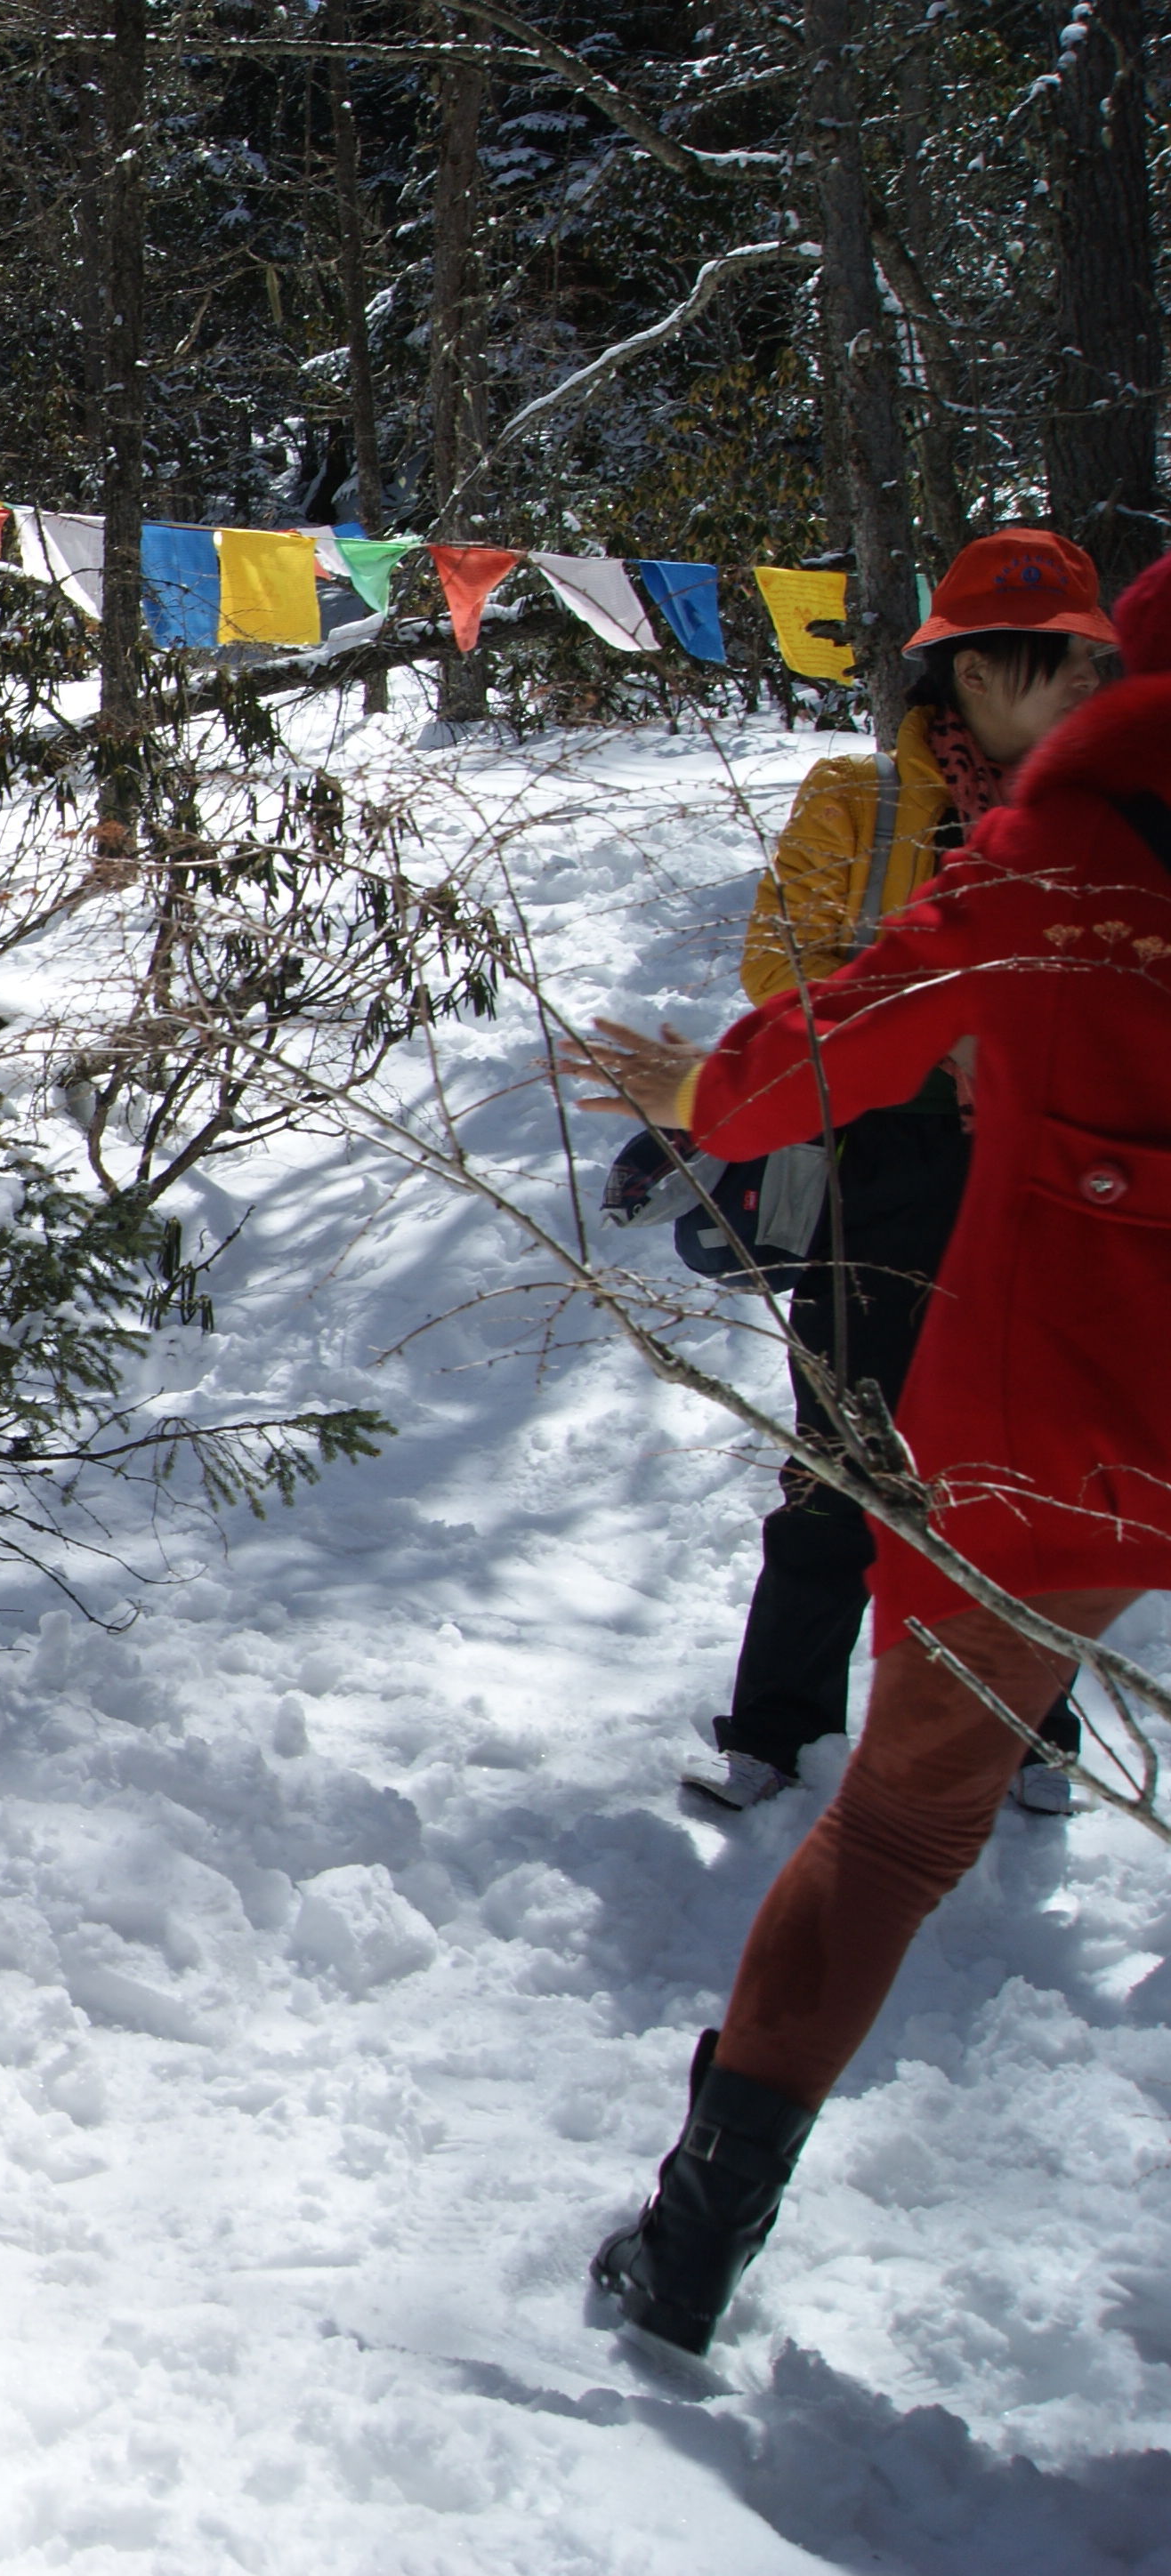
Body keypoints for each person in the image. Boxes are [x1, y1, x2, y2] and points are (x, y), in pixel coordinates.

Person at [553, 551, 1171, 2356]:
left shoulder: (1050, 856)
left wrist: (691, 1094)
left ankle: (687, 2250)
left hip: (1060, 1397)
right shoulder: (913, 806)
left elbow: (830, 1043)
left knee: (899, 1823)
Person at [680, 528, 1122, 1815]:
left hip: (1050, 1178)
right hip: (890, 1161)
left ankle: (1031, 1736)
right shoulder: (858, 801)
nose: (1090, 688)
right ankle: (777, 1728)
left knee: (1032, 1475)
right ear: (976, 671)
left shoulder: (1113, 817)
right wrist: (943, 1040)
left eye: (1098, 663)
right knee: (844, 1449)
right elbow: (780, 974)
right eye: (1065, 665)